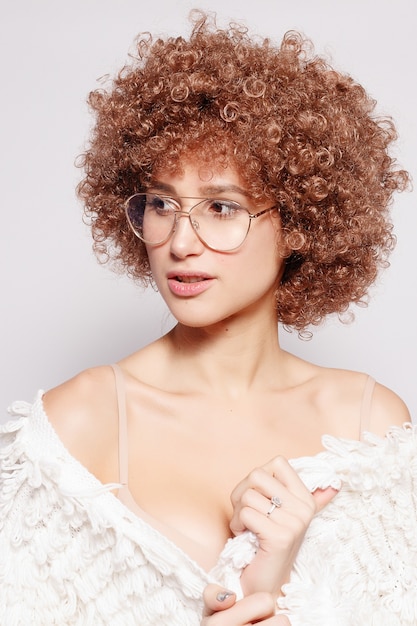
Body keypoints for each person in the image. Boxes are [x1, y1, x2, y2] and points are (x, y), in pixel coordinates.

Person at [1, 10, 416, 626]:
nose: (180, 240)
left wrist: (273, 588)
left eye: (222, 206)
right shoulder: (77, 424)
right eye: (162, 203)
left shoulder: (369, 426)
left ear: (300, 224)